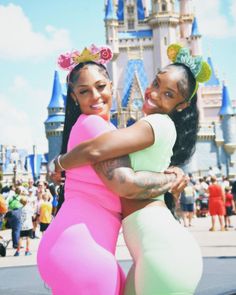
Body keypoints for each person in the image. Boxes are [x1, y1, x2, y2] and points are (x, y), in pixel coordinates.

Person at [45, 44, 211, 294]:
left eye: (168, 94)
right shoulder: (101, 127)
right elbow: (98, 152)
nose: (154, 94)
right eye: (156, 84)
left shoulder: (154, 124)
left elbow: (111, 168)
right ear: (74, 96)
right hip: (157, 251)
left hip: (159, 251)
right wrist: (173, 175)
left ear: (181, 106)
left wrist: (59, 163)